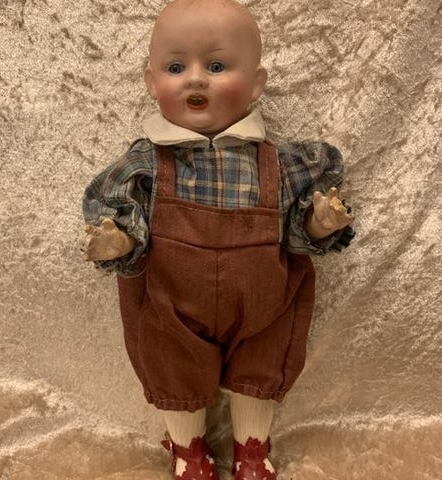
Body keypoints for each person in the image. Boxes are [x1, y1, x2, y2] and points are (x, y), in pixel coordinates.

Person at [82, 0, 355, 479]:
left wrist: (318, 224)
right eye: (175, 67)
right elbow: (115, 209)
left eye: (215, 66)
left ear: (255, 84)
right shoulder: (146, 164)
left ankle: (252, 448)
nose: (195, 79)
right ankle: (188, 449)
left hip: (263, 301)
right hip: (172, 301)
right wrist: (120, 241)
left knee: (263, 360)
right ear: (151, 82)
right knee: (172, 364)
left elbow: (294, 236)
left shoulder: (281, 163)